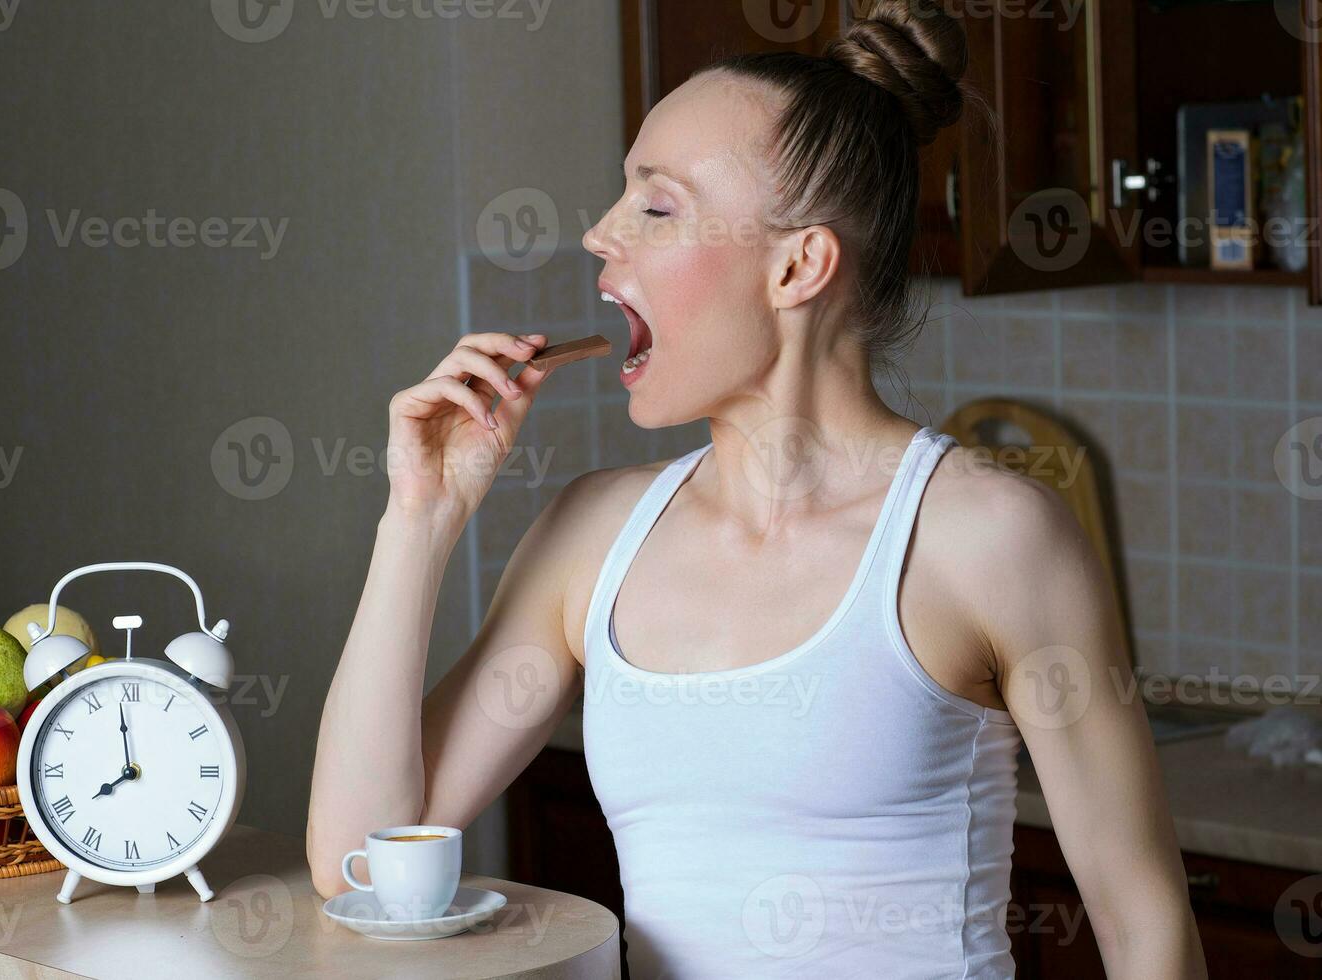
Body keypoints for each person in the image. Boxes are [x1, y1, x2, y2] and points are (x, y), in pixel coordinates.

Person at [307, 1, 1205, 974]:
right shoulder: (592, 536)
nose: (601, 235)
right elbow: (359, 861)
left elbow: (1144, 928)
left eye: (656, 206)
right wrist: (419, 517)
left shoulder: (987, 534)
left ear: (798, 265)